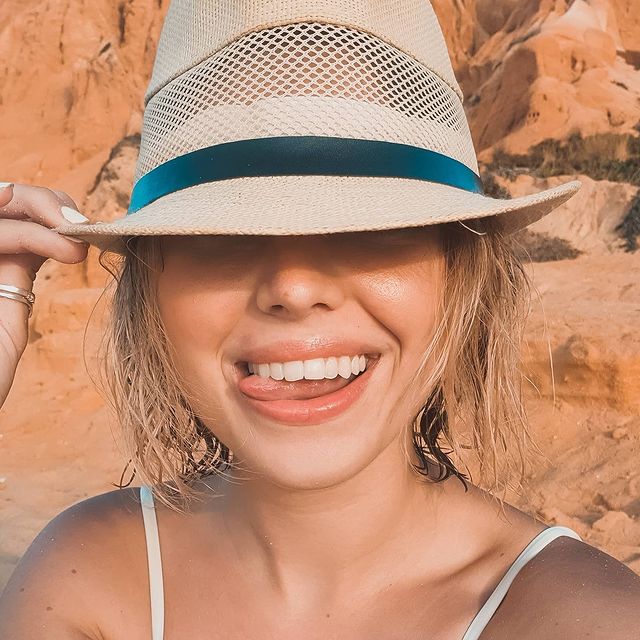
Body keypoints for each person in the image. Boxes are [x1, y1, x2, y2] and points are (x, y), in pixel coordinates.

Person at [0, 1, 638, 638]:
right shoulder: (85, 580)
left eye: (369, 230)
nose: (294, 289)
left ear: (460, 274)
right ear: (152, 293)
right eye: (222, 235)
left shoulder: (589, 622)